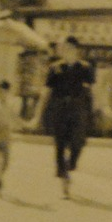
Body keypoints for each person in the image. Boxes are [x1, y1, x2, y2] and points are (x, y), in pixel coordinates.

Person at [31, 36, 94, 199]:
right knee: (60, 144)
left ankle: (70, 164)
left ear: (76, 50)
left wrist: (99, 109)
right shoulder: (55, 68)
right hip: (59, 109)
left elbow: (91, 91)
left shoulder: (85, 68)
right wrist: (37, 115)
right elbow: (46, 92)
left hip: (78, 109)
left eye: (70, 49)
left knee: (78, 142)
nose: (66, 52)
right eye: (64, 49)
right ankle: (64, 180)